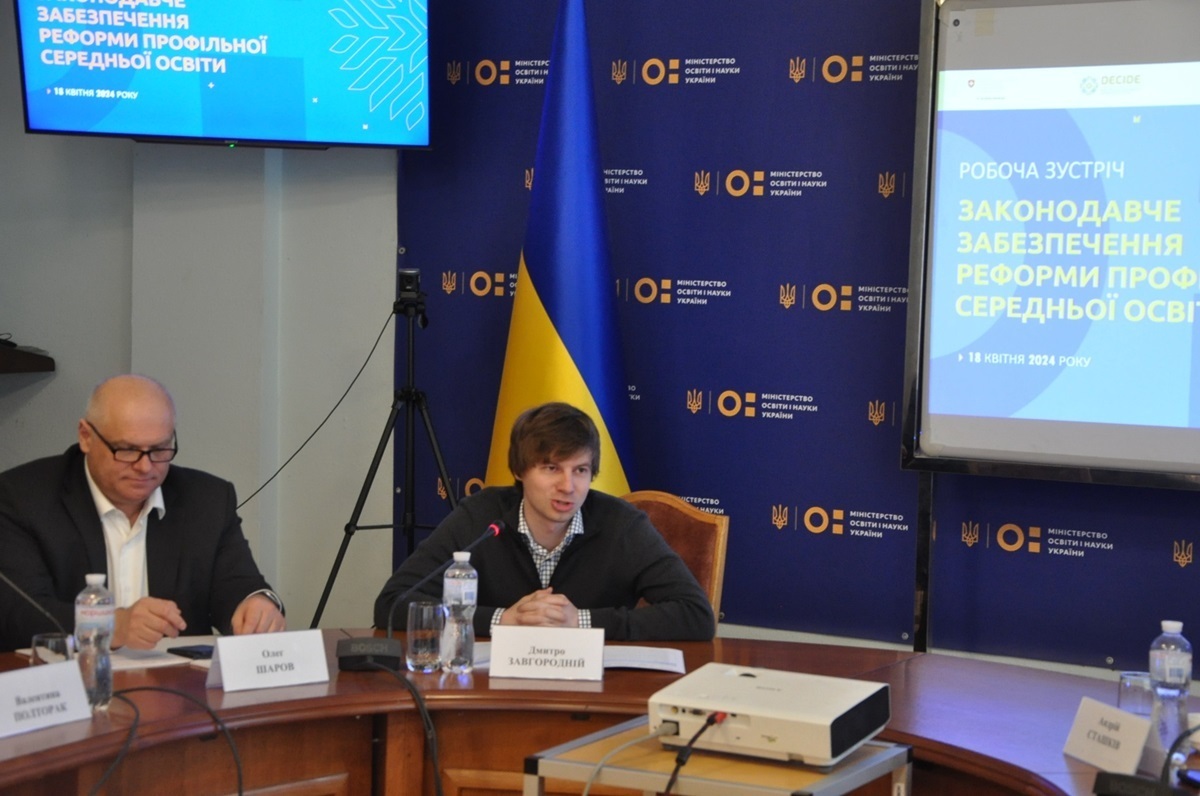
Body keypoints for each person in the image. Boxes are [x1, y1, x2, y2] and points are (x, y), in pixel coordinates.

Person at [374, 402, 715, 641]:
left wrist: (580, 621)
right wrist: (502, 619)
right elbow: (393, 604)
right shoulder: (481, 516)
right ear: (520, 471)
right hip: (494, 689)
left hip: (594, 690)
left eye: (580, 470)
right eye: (551, 468)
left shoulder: (621, 525)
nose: (568, 486)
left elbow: (696, 615)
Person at [0, 374, 286, 652]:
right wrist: (112, 625)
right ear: (86, 436)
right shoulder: (22, 499)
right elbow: (18, 613)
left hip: (178, 680)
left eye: (159, 449)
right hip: (66, 677)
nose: (145, 467)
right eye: (127, 450)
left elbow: (237, 584)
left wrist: (256, 604)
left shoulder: (207, 500)